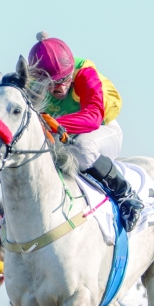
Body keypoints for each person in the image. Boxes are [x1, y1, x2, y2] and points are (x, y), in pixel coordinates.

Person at [28, 32, 143, 231]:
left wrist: (52, 123)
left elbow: (93, 117)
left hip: (103, 131)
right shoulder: (32, 86)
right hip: (63, 137)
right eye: (53, 83)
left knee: (81, 149)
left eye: (65, 79)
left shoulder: (84, 73)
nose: (61, 88)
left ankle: (125, 194)